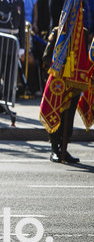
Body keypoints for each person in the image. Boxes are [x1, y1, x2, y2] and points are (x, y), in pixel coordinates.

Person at [42, 26, 89, 164]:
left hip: (74, 83)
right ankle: (54, 149)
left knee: (69, 118)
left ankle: (64, 148)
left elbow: (84, 57)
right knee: (55, 113)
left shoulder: (83, 33)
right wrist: (60, 68)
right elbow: (46, 56)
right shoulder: (58, 31)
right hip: (58, 83)